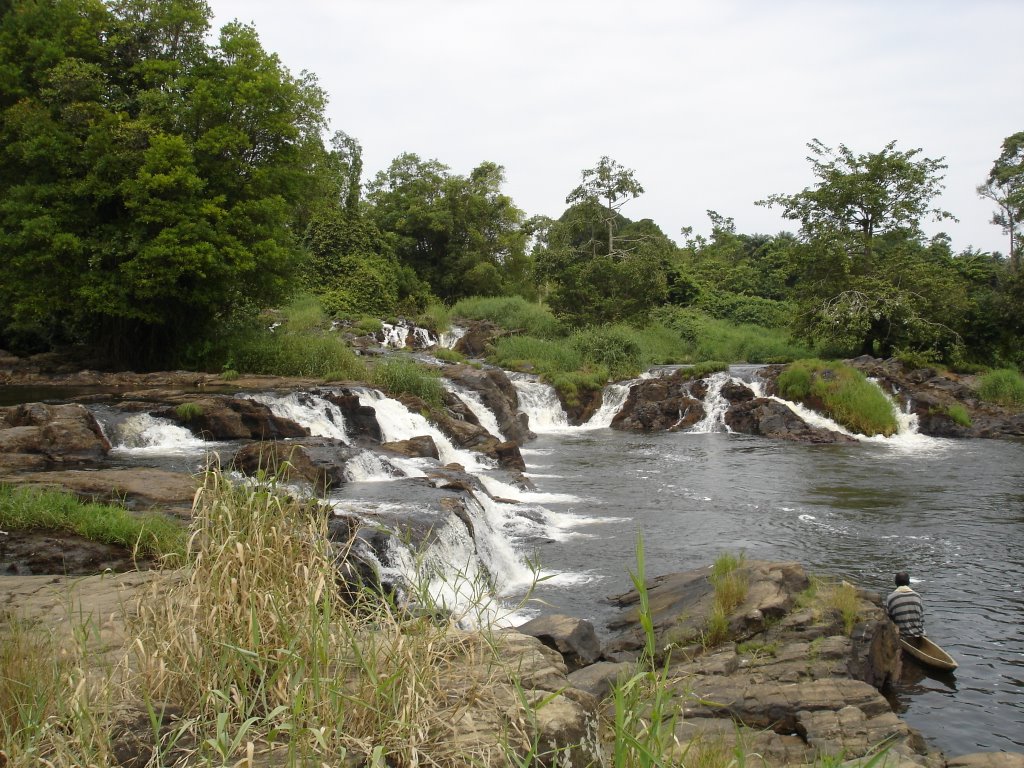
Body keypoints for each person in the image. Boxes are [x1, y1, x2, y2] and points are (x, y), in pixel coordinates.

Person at [886, 571, 924, 638]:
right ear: (908, 582)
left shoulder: (891, 598)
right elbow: (922, 619)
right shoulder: (917, 596)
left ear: (895, 583)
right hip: (918, 633)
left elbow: (889, 619)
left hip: (902, 635)